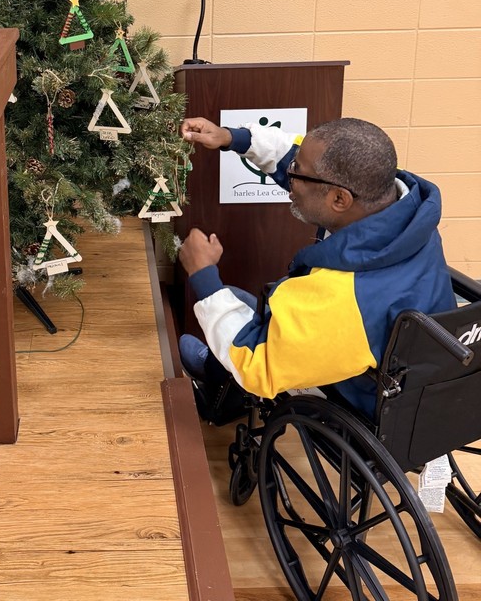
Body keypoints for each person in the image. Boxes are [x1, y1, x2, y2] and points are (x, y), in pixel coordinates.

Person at [177, 116, 456, 424]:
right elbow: (312, 174)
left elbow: (258, 366)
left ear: (339, 199)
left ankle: (216, 388)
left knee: (235, 302)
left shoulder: (343, 296)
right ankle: (219, 375)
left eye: (297, 173)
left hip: (365, 397)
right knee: (243, 301)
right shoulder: (405, 213)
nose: (289, 177)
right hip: (424, 377)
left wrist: (203, 276)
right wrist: (232, 138)